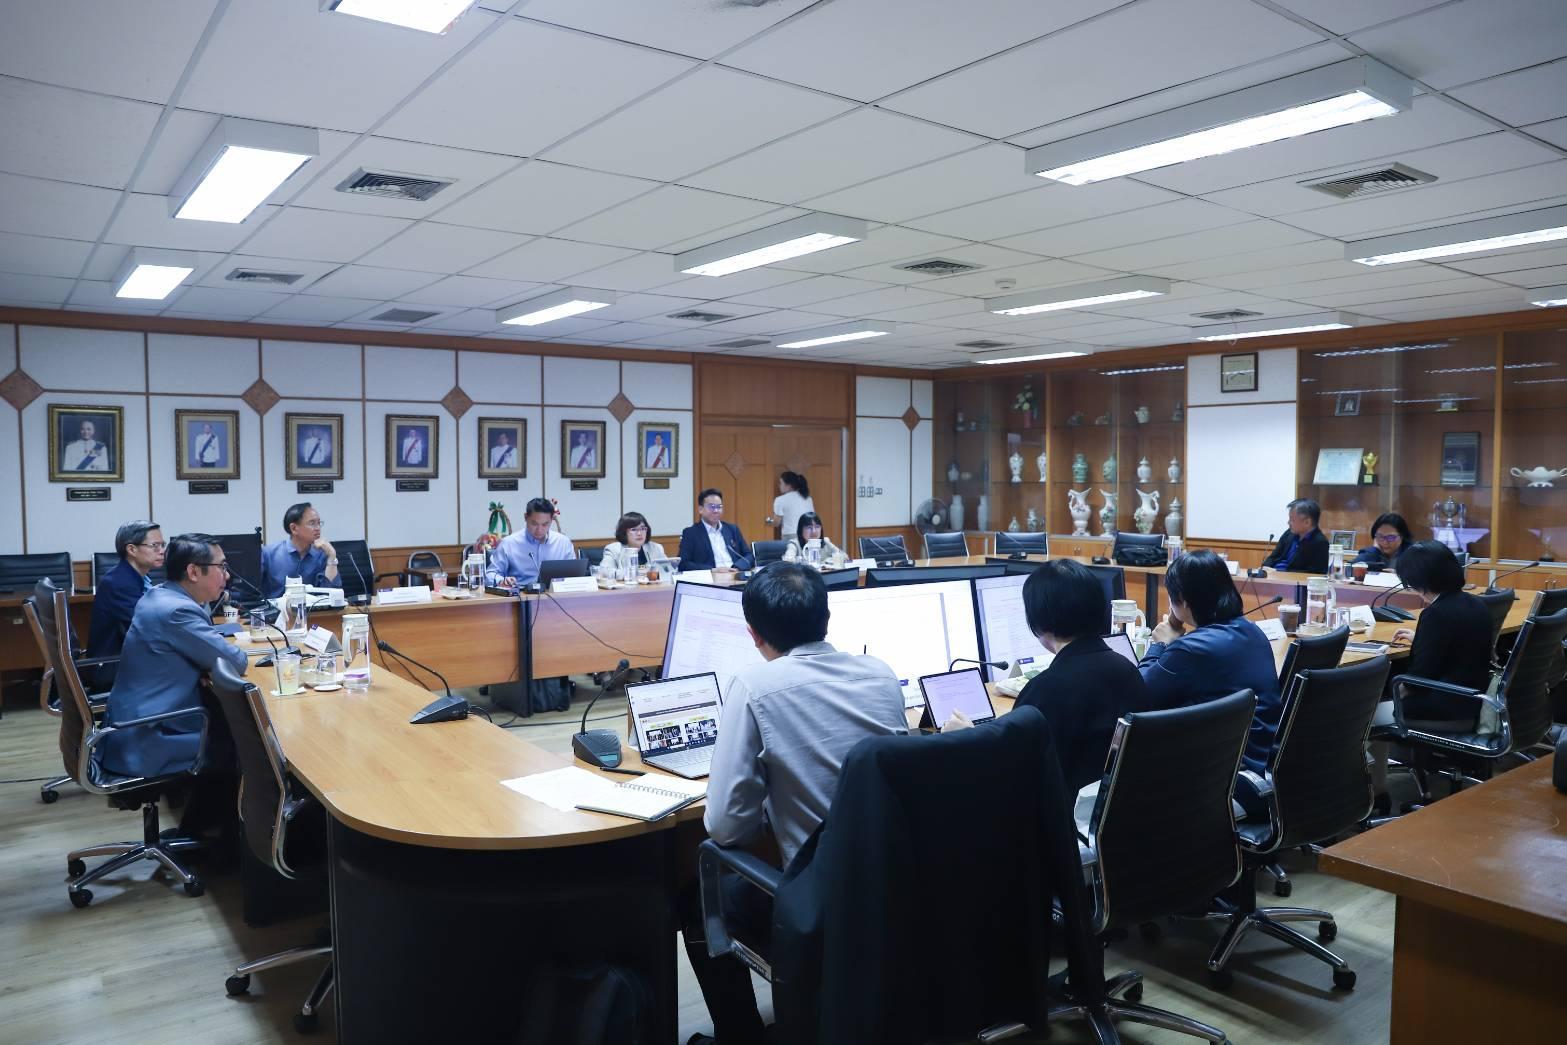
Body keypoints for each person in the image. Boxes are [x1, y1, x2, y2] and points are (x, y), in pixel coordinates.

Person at [684, 564, 908, 1045]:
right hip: (895, 886)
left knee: (698, 892)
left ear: (753, 634)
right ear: (826, 618)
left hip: (819, 903)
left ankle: (740, 1036)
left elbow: (725, 828)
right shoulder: (882, 673)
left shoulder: (753, 686)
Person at [96, 533, 248, 781]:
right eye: (221, 567)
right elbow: (236, 662)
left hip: (132, 727)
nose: (227, 575)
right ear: (193, 572)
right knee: (249, 745)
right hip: (149, 739)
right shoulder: (178, 611)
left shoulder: (158, 595)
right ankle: (206, 810)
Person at [1369, 540, 1496, 804]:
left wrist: (1391, 696)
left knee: (1364, 715)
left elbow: (1416, 681)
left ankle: (1375, 793)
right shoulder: (1476, 604)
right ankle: (1376, 789)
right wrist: (1422, 639)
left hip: (1448, 708)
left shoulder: (1436, 614)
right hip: (1471, 700)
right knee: (1380, 701)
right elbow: (1457, 646)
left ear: (1419, 580)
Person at [1010, 560, 1151, 794]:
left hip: (1062, 813)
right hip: (1119, 808)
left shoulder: (1044, 690)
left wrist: (972, 737)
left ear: (1039, 620)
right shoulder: (1128, 670)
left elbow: (1011, 771)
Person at [1139, 550, 1283, 773]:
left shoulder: (1190, 650)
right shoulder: (1252, 631)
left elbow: (1139, 692)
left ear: (1182, 600)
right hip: (1258, 758)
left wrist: (1160, 645)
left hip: (1224, 771)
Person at [86, 520, 166, 690]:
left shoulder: (132, 577)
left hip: (124, 658)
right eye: (155, 546)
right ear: (132, 549)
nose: (162, 551)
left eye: (162, 545)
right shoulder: (120, 583)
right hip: (111, 667)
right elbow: (148, 627)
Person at [486, 497, 576, 587]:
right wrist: (502, 581)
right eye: (534, 524)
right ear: (526, 517)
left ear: (552, 519)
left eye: (545, 524)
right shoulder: (508, 543)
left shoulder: (563, 543)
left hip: (555, 593)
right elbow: (490, 575)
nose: (539, 529)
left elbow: (575, 575)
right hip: (521, 593)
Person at [260, 502, 341, 598]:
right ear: (294, 528)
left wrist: (332, 557)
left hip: (314, 607)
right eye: (312, 523)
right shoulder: (269, 553)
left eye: (319, 523)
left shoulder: (321, 554)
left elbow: (332, 594)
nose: (318, 528)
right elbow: (251, 591)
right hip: (277, 607)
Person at [678, 488, 753, 571]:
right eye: (711, 507)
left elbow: (749, 555)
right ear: (700, 509)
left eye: (719, 507)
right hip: (712, 576)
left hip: (735, 573)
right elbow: (683, 564)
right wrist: (713, 570)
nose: (716, 510)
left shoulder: (732, 529)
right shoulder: (691, 533)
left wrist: (737, 567)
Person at [1261, 498, 1330, 573]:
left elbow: (1316, 573)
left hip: (1289, 579)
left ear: (1307, 522)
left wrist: (1280, 574)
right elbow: (1274, 556)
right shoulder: (1289, 533)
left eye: (1292, 519)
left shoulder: (1320, 543)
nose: (1288, 522)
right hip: (1273, 576)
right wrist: (1265, 569)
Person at [599, 512, 666, 577]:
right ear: (624, 532)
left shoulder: (656, 548)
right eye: (634, 529)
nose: (639, 533)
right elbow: (604, 572)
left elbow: (667, 570)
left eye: (643, 529)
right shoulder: (613, 549)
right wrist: (638, 573)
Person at [769, 471, 814, 540]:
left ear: (788, 485)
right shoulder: (808, 498)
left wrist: (769, 521)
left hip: (790, 535)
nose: (779, 486)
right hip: (808, 534)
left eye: (781, 483)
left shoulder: (780, 500)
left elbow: (776, 523)